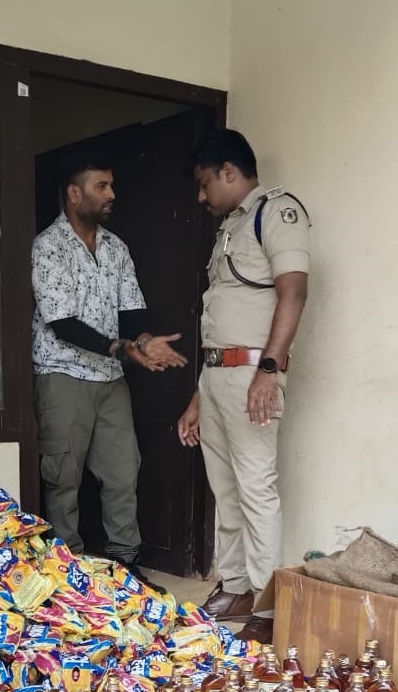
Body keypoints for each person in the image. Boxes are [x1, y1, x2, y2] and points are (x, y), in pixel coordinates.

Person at [178, 129, 310, 643]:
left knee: (256, 487)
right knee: (225, 489)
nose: (201, 195)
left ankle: (268, 605)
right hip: (217, 376)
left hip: (255, 373)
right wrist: (197, 395)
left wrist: (270, 371)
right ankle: (234, 586)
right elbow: (220, 324)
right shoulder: (231, 225)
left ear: (229, 172)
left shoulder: (276, 213)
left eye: (204, 183)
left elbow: (293, 293)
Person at [32, 150, 187, 577]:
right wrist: (122, 348)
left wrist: (144, 340)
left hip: (109, 376)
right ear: (73, 193)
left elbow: (132, 311)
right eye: (102, 186)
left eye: (111, 185)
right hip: (62, 373)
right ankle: (67, 570)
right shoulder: (48, 247)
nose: (111, 194)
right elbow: (61, 322)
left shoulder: (116, 247)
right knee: (62, 477)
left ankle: (125, 562)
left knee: (122, 471)